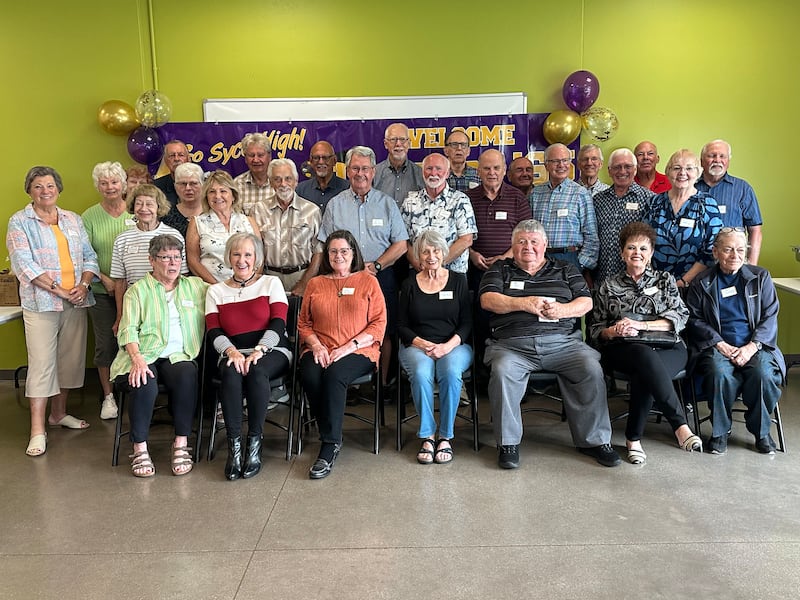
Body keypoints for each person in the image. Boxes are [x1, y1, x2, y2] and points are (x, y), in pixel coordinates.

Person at [479, 219, 621, 469]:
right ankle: (508, 443)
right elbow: (488, 300)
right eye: (521, 241)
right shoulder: (500, 269)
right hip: (512, 345)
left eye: (534, 241)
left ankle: (596, 441)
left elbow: (586, 302)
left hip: (562, 344)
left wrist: (563, 310)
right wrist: (524, 303)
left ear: (545, 244)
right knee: (502, 371)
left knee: (590, 366)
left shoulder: (565, 268)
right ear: (512, 245)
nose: (528, 247)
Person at [591, 222, 702, 464]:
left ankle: (633, 440)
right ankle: (680, 426)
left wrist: (642, 325)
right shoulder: (608, 286)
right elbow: (595, 330)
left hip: (669, 346)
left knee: (646, 371)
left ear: (651, 252)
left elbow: (680, 317)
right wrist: (615, 329)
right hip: (623, 349)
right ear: (622, 253)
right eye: (631, 248)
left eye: (643, 248)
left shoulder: (665, 280)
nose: (637, 253)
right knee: (644, 357)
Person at [7, 166, 99, 456]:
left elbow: (89, 255)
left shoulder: (72, 219)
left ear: (58, 189)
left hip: (76, 300)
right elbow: (23, 263)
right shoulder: (20, 221)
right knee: (42, 363)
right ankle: (37, 430)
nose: (45, 191)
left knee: (70, 361)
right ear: (29, 191)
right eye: (38, 186)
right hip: (41, 303)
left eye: (50, 186)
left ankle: (58, 414)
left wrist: (84, 285)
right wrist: (59, 290)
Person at [110, 235, 208, 477]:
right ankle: (140, 448)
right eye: (165, 258)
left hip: (178, 355)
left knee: (187, 373)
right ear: (151, 260)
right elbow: (128, 328)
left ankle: (181, 444)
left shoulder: (195, 287)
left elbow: (227, 292)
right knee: (144, 380)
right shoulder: (137, 291)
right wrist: (137, 358)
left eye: (177, 257)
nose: (173, 263)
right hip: (143, 355)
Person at [686, 227, 785, 455]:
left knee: (763, 374)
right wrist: (720, 344)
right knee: (718, 372)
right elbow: (694, 319)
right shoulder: (702, 282)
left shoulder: (760, 277)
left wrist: (751, 347)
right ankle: (720, 431)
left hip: (756, 345)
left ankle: (761, 432)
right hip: (717, 346)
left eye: (740, 249)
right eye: (728, 249)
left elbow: (770, 317)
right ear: (715, 252)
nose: (735, 255)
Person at [297, 231, 387, 479]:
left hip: (359, 349)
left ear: (354, 253)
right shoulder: (315, 283)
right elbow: (304, 323)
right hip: (320, 346)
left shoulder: (368, 281)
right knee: (310, 373)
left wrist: (347, 348)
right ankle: (330, 426)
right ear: (327, 255)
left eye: (344, 251)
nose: (339, 256)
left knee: (335, 374)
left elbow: (379, 323)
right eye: (333, 251)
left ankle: (330, 444)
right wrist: (316, 346)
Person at [319, 146, 408, 388]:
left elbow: (401, 244)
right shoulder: (335, 205)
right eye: (355, 168)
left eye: (365, 168)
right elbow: (324, 244)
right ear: (347, 171)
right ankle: (352, 384)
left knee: (384, 331)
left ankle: (382, 384)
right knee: (345, 329)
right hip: (342, 280)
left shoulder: (387, 204)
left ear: (373, 172)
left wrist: (377, 265)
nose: (361, 173)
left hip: (381, 277)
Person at [205, 233, 291, 480]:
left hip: (271, 350)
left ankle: (254, 443)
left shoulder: (270, 283)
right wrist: (231, 351)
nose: (242, 260)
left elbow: (279, 322)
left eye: (247, 255)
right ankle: (234, 448)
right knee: (231, 372)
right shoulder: (215, 291)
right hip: (231, 351)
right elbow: (214, 329)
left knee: (257, 370)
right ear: (228, 258)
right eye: (236, 254)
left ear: (256, 259)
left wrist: (260, 350)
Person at [398, 230, 472, 465]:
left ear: (444, 252)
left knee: (450, 372)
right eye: (426, 251)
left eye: (436, 250)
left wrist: (447, 346)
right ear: (418, 256)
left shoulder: (459, 281)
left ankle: (446, 436)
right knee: (421, 373)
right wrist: (421, 343)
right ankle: (428, 435)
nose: (431, 256)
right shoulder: (409, 284)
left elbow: (467, 323)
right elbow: (400, 325)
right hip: (417, 346)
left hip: (454, 346)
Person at [82, 161, 133, 420]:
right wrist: (107, 281)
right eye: (104, 183)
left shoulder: (135, 212)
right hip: (102, 291)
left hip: (134, 292)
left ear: (123, 184)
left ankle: (135, 393)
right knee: (105, 344)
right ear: (98, 186)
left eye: (114, 182)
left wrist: (124, 284)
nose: (110, 187)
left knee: (134, 340)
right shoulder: (89, 216)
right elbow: (83, 254)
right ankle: (109, 397)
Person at [110, 184, 187, 334]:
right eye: (139, 203)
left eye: (149, 204)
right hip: (134, 305)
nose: (143, 208)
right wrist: (120, 316)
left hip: (167, 303)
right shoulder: (122, 239)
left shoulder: (174, 235)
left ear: (159, 207)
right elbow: (120, 281)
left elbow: (182, 276)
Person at [648, 149, 723, 290]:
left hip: (695, 287)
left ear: (697, 173)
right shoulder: (654, 202)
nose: (682, 173)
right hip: (656, 285)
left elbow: (711, 250)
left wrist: (682, 282)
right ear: (668, 172)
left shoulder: (707, 204)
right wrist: (653, 279)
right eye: (677, 168)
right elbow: (642, 241)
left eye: (689, 168)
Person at [251, 158, 322, 296]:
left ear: (296, 182)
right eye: (277, 179)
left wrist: (304, 283)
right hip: (268, 278)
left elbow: (319, 251)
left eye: (288, 179)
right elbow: (254, 251)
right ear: (271, 183)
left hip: (302, 276)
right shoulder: (258, 210)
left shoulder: (312, 211)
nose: (283, 184)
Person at [400, 153, 477, 274]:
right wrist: (417, 263)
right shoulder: (410, 202)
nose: (433, 173)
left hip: (453, 273)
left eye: (438, 169)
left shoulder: (460, 200)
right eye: (429, 168)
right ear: (423, 172)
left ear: (447, 173)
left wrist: (436, 265)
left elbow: (466, 240)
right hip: (419, 272)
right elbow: (402, 240)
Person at [530, 143, 599, 275]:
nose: (561, 165)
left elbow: (591, 236)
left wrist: (580, 264)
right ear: (546, 165)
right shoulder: (536, 194)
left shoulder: (580, 193)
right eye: (555, 161)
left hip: (570, 258)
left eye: (565, 160)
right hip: (540, 259)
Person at [695, 139, 763, 264]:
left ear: (728, 161)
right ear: (701, 161)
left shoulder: (742, 189)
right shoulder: (690, 187)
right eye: (711, 156)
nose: (717, 160)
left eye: (722, 156)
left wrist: (751, 266)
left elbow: (755, 230)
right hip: (694, 264)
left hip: (731, 263)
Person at [592, 148, 654, 284]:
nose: (622, 171)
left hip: (634, 277)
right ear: (609, 171)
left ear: (635, 169)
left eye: (627, 166)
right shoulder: (598, 200)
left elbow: (651, 240)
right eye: (617, 167)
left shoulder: (649, 199)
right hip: (601, 275)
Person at [186, 170, 259, 284]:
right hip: (211, 288)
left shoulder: (249, 221)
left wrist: (249, 283)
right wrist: (219, 287)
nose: (217, 196)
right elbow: (193, 261)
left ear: (233, 195)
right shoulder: (197, 223)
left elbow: (259, 258)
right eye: (212, 192)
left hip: (248, 287)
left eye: (223, 191)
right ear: (206, 197)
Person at [373, 122, 424, 205]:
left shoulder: (420, 174)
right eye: (393, 139)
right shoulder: (374, 173)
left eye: (402, 139)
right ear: (385, 144)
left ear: (409, 143)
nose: (398, 144)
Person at [296, 140, 349, 213]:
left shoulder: (347, 188)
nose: (321, 162)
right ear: (311, 162)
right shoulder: (301, 190)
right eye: (316, 158)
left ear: (334, 160)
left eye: (325, 158)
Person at [233, 132, 275, 216]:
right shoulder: (237, 184)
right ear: (245, 158)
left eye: (260, 155)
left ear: (269, 157)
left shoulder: (280, 181)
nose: (255, 160)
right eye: (251, 155)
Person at [162, 162, 205, 238]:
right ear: (175, 186)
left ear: (202, 185)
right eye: (183, 184)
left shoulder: (212, 213)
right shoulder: (166, 216)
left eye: (193, 183)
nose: (188, 188)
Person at [154, 140, 190, 207]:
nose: (176, 159)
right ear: (165, 160)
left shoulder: (202, 183)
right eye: (172, 155)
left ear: (188, 159)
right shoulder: (156, 187)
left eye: (181, 155)